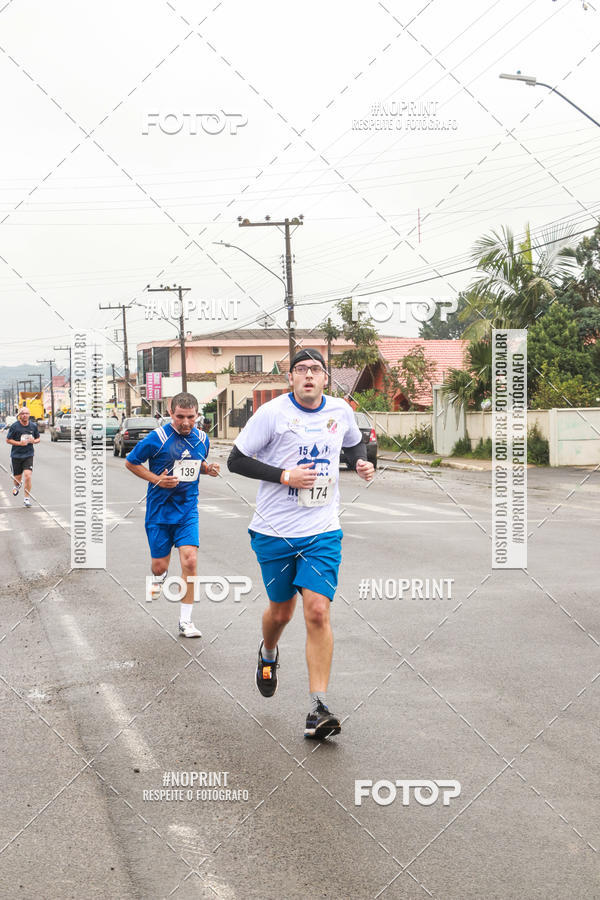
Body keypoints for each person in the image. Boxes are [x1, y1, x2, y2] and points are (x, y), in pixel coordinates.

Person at [227, 348, 375, 739]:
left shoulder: (340, 411)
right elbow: (236, 460)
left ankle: (318, 706)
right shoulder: (272, 413)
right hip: (274, 530)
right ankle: (269, 654)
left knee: (317, 611)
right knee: (281, 613)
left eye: (316, 370)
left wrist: (360, 462)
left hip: (322, 530)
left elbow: (354, 443)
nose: (309, 375)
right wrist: (284, 476)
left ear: (326, 378)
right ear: (290, 378)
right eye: (301, 370)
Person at [125, 392, 220, 637]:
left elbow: (198, 462)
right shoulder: (156, 438)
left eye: (190, 417)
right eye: (180, 417)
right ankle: (160, 575)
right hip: (159, 512)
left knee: (190, 560)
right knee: (158, 567)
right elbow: (131, 462)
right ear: (171, 413)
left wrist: (208, 470)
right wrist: (157, 479)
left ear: (197, 415)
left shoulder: (202, 439)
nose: (186, 422)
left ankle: (185, 621)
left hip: (187, 510)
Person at [6, 407, 41, 508]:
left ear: (29, 415)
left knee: (28, 476)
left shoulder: (33, 426)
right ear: (20, 415)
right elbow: (8, 440)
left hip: (28, 454)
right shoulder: (15, 426)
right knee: (17, 478)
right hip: (16, 455)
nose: (25, 415)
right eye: (23, 413)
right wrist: (19, 443)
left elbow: (38, 438)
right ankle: (17, 485)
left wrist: (34, 441)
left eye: (26, 413)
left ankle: (26, 499)